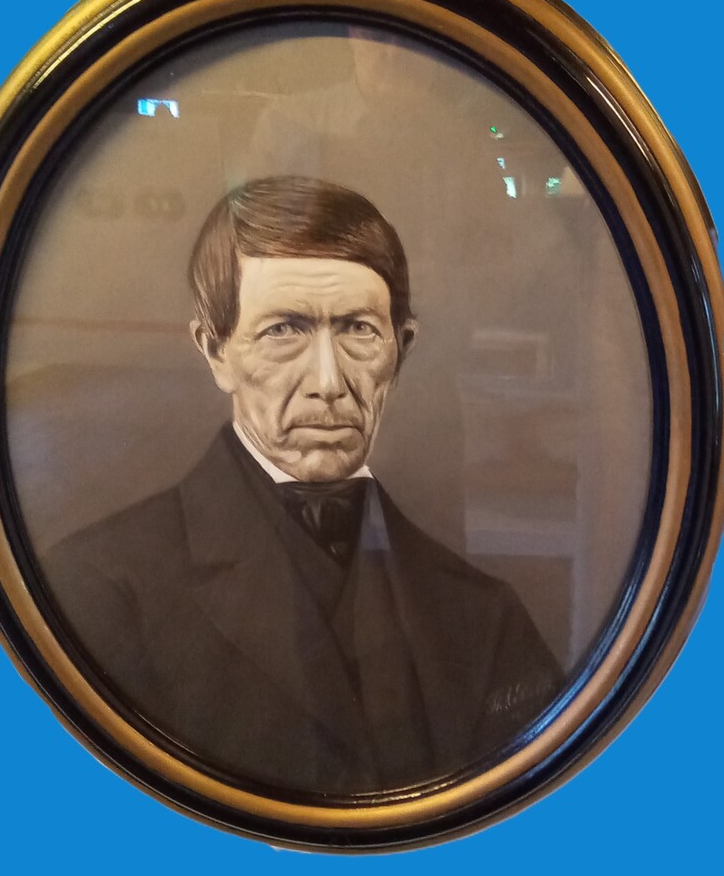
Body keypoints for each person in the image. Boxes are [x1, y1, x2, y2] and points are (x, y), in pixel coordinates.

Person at [45, 176, 562, 794]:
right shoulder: (96, 591)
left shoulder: (485, 617)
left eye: (358, 330)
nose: (328, 382)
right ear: (215, 351)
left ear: (401, 349)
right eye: (283, 330)